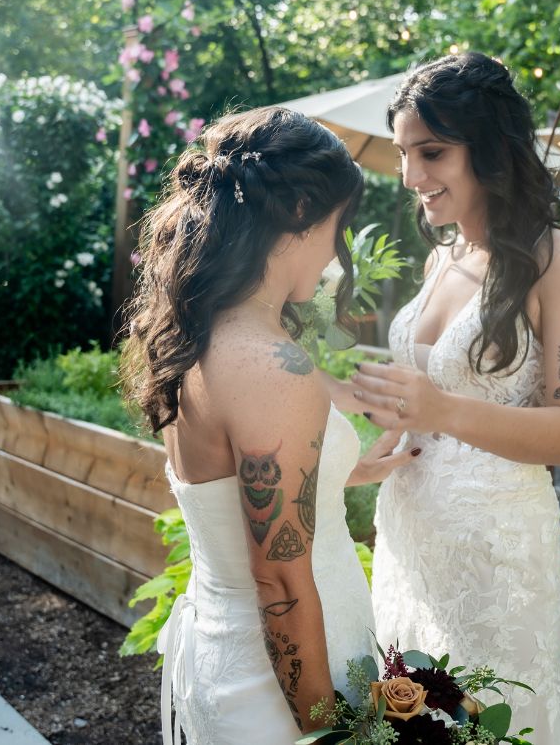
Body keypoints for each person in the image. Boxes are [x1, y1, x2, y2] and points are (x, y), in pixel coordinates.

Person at [120, 106, 418, 744]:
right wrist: (328, 732)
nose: (339, 255)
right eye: (340, 228)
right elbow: (278, 580)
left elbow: (228, 491)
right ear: (304, 211)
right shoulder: (270, 364)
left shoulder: (200, 328)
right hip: (281, 684)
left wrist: (342, 469)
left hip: (222, 646)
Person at [347, 53, 560, 744]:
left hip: (496, 555)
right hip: (408, 539)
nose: (410, 177)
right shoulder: (439, 261)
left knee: (494, 722)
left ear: (490, 148)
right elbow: (428, 403)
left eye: (430, 152)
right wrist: (382, 435)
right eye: (404, 154)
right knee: (415, 721)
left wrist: (441, 410)